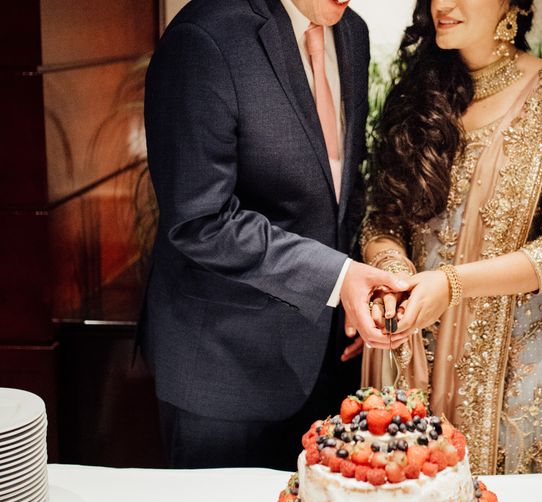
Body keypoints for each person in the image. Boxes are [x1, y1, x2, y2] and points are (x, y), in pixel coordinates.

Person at [139, 0, 409, 469]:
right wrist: (337, 277)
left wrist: (355, 296)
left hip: (324, 361)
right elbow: (200, 221)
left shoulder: (352, 33)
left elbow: (340, 190)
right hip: (224, 372)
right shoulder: (205, 37)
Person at [361, 0, 542, 476]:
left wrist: (451, 284)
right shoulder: (420, 91)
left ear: (511, 4)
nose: (442, 5)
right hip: (411, 350)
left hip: (517, 364)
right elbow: (380, 219)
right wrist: (393, 272)